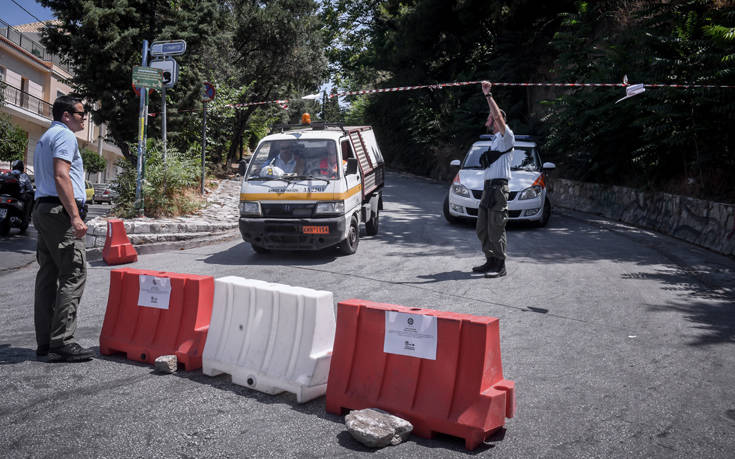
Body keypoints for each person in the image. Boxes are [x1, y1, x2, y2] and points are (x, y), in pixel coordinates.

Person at [32, 95, 93, 362]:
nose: (84, 118)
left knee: (48, 275)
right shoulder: (66, 136)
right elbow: (61, 175)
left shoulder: (45, 138)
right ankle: (63, 341)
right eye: (81, 113)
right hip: (59, 212)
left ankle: (45, 342)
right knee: (74, 272)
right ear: (66, 115)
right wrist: (75, 216)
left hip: (43, 209)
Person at [472, 81, 514, 278]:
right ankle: (490, 261)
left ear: (500, 121)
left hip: (498, 188)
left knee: (496, 227)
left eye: (492, 118)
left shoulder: (508, 137)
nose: (490, 119)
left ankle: (500, 264)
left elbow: (497, 115)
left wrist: (488, 95)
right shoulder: (494, 141)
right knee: (483, 228)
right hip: (489, 188)